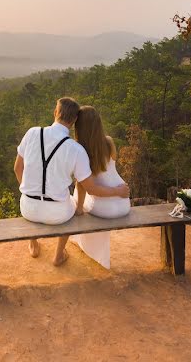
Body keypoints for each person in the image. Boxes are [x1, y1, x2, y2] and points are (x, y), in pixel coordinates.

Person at [14, 97, 130, 266]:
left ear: (55, 112)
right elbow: (90, 187)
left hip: (27, 208)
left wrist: (28, 192)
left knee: (41, 200)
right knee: (72, 202)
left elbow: (17, 168)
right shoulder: (76, 149)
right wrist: (118, 192)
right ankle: (59, 254)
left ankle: (33, 242)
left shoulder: (32, 133)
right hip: (57, 214)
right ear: (74, 120)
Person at [69, 105, 131, 268]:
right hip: (124, 203)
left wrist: (79, 208)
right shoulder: (109, 142)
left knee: (78, 189)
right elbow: (109, 170)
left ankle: (84, 244)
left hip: (105, 208)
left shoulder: (80, 151)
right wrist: (118, 191)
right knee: (87, 185)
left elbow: (84, 187)